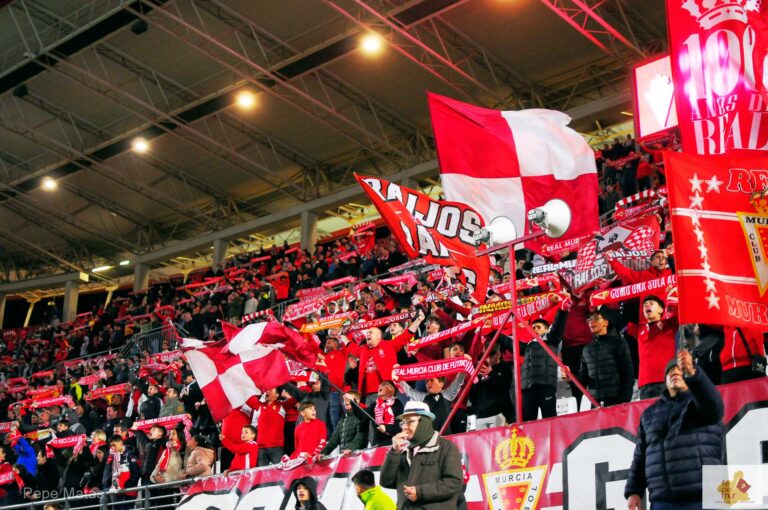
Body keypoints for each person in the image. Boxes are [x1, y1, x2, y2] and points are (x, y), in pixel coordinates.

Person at [625, 350, 724, 510]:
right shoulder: (649, 414)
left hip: (702, 498)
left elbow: (715, 406)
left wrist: (693, 372)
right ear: (665, 381)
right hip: (662, 501)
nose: (675, 372)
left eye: (680, 370)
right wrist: (634, 491)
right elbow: (640, 457)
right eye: (670, 371)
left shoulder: (701, 402)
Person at [380, 401, 463, 509]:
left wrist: (420, 492)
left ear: (424, 422)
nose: (404, 427)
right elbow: (386, 482)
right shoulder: (402, 450)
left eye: (409, 421)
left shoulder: (446, 447)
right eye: (403, 422)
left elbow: (454, 482)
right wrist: (394, 452)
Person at [580, 309, 634, 406]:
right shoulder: (586, 349)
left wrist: (625, 399)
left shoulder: (618, 343)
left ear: (606, 322)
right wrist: (570, 377)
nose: (591, 322)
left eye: (596, 318)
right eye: (589, 320)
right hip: (595, 404)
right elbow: (583, 378)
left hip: (617, 401)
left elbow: (628, 373)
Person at [321, 391, 367, 457]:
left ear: (357, 400)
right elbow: (334, 439)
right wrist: (323, 452)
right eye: (344, 399)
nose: (346, 401)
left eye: (348, 399)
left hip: (357, 457)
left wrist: (351, 449)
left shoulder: (362, 416)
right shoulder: (344, 418)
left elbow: (360, 436)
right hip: (345, 456)